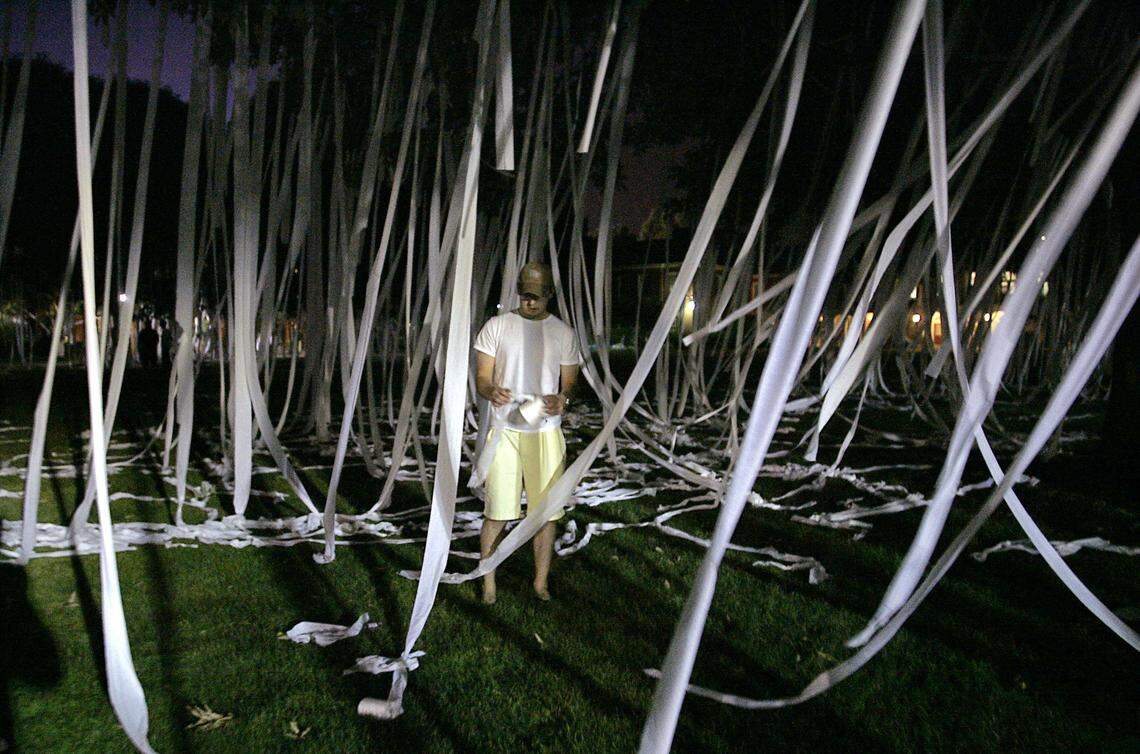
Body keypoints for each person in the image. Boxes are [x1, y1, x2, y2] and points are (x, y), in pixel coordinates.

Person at [472, 262, 579, 605]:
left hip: (545, 433)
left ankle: (540, 582)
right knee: (498, 511)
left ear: (549, 294)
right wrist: (491, 391)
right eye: (525, 296)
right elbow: (483, 377)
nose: (530, 303)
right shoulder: (497, 327)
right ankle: (488, 581)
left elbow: (569, 380)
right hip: (505, 430)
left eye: (537, 297)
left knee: (545, 515)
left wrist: (562, 398)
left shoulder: (563, 333)